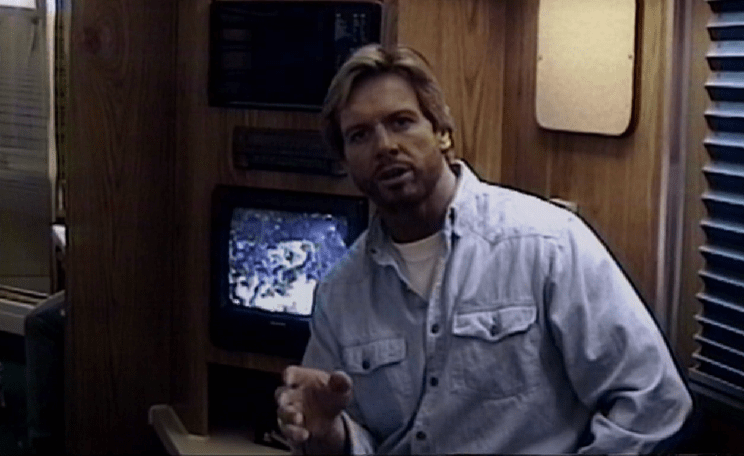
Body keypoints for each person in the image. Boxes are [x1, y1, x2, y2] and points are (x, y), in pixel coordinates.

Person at [276, 44, 692, 454]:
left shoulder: (546, 244)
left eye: (401, 122)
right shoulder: (340, 294)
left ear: (442, 132)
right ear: (345, 161)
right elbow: (347, 432)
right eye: (359, 135)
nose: (384, 146)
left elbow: (653, 402)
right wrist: (330, 435)